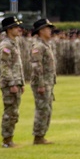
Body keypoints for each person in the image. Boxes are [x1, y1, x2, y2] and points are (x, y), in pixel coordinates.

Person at [0, 15, 26, 148]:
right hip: (10, 84)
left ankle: (9, 138)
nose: (18, 29)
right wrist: (12, 83)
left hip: (16, 82)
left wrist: (21, 82)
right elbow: (5, 66)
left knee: (14, 112)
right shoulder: (6, 45)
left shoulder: (14, 42)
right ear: (9, 29)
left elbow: (17, 65)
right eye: (15, 27)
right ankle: (6, 140)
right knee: (10, 112)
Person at [30, 17, 57, 145]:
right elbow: (36, 66)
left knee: (47, 109)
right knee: (42, 109)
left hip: (48, 82)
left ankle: (42, 135)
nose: (50, 31)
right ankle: (38, 136)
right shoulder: (38, 46)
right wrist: (40, 84)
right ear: (41, 31)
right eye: (47, 29)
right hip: (42, 83)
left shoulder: (46, 45)